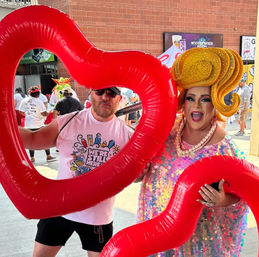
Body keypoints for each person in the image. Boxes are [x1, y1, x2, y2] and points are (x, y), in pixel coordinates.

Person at [136, 48, 248, 257]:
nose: (196, 105)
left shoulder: (226, 148)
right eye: (191, 98)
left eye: (205, 99)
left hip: (199, 244)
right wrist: (137, 173)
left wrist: (223, 201)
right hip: (156, 236)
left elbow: (243, 195)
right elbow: (138, 170)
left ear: (215, 102)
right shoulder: (164, 133)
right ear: (183, 102)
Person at [18, 86, 133, 257]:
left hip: (98, 217)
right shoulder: (67, 122)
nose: (105, 97)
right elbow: (33, 139)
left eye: (111, 93)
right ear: (91, 94)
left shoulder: (128, 136)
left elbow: (136, 175)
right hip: (58, 208)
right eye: (100, 92)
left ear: (119, 98)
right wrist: (5, 128)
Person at [19, 85, 56, 163]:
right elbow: (44, 114)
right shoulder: (39, 101)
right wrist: (49, 111)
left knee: (30, 141)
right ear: (38, 94)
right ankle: (48, 156)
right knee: (45, 140)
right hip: (38, 124)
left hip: (28, 124)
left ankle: (32, 158)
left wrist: (29, 115)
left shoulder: (24, 100)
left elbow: (21, 111)